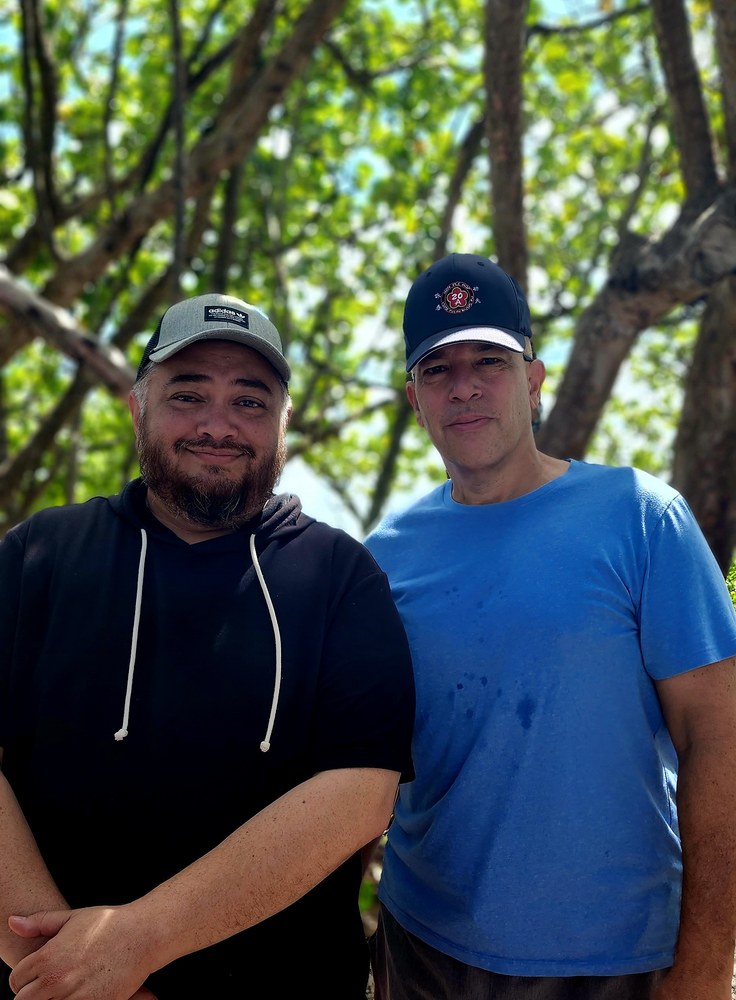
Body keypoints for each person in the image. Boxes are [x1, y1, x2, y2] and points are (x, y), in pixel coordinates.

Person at [0, 293, 415, 1000]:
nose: (217, 425)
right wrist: (62, 968)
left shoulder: (342, 577)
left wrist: (135, 942)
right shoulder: (40, 551)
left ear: (285, 424)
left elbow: (361, 795)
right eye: (187, 394)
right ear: (137, 408)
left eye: (250, 403)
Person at [364, 253, 736, 1000]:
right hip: (424, 953)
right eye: (438, 369)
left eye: (489, 360)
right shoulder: (381, 561)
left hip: (617, 961)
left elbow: (718, 737)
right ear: (415, 399)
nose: (464, 385)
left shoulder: (640, 516)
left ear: (534, 382)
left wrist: (703, 970)